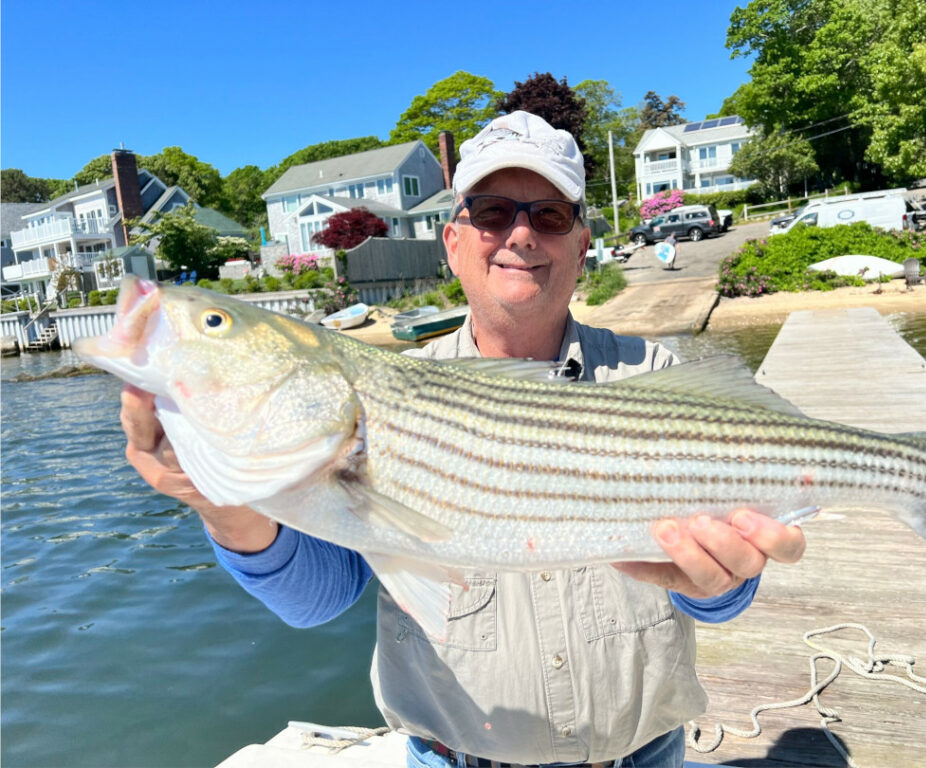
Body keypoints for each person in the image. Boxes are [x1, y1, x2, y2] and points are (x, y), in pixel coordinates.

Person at [120, 111, 806, 768]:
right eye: (491, 213)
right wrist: (216, 501)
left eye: (549, 215)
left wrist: (718, 584)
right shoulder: (383, 397)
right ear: (452, 242)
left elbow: (719, 596)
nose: (520, 234)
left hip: (644, 755)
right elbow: (317, 599)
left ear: (581, 242)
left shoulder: (656, 379)